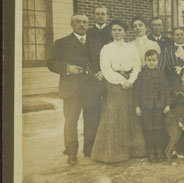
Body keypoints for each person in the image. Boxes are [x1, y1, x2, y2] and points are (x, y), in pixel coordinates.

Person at [47, 14, 104, 165]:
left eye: (84, 22)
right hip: (71, 89)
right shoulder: (62, 43)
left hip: (91, 88)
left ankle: (89, 149)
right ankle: (72, 153)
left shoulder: (95, 43)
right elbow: (51, 63)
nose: (82, 24)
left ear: (88, 24)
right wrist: (67, 68)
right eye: (78, 22)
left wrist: (102, 72)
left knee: (91, 119)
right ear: (71, 24)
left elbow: (102, 63)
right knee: (71, 121)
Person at [90, 19, 146, 163]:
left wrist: (130, 81)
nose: (117, 32)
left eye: (120, 30)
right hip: (114, 85)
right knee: (114, 115)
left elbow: (137, 66)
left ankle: (133, 151)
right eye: (114, 30)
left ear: (125, 32)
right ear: (111, 32)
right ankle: (113, 153)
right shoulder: (106, 48)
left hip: (129, 84)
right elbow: (106, 68)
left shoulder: (131, 48)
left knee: (129, 114)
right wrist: (122, 81)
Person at [134, 49, 171, 163]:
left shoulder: (160, 73)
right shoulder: (141, 74)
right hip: (146, 107)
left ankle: (159, 152)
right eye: (149, 60)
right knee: (148, 129)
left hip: (159, 106)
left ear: (157, 61)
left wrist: (167, 104)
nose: (151, 62)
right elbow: (136, 92)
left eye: (154, 60)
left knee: (159, 129)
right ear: (145, 60)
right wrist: (137, 106)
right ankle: (150, 152)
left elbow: (166, 90)